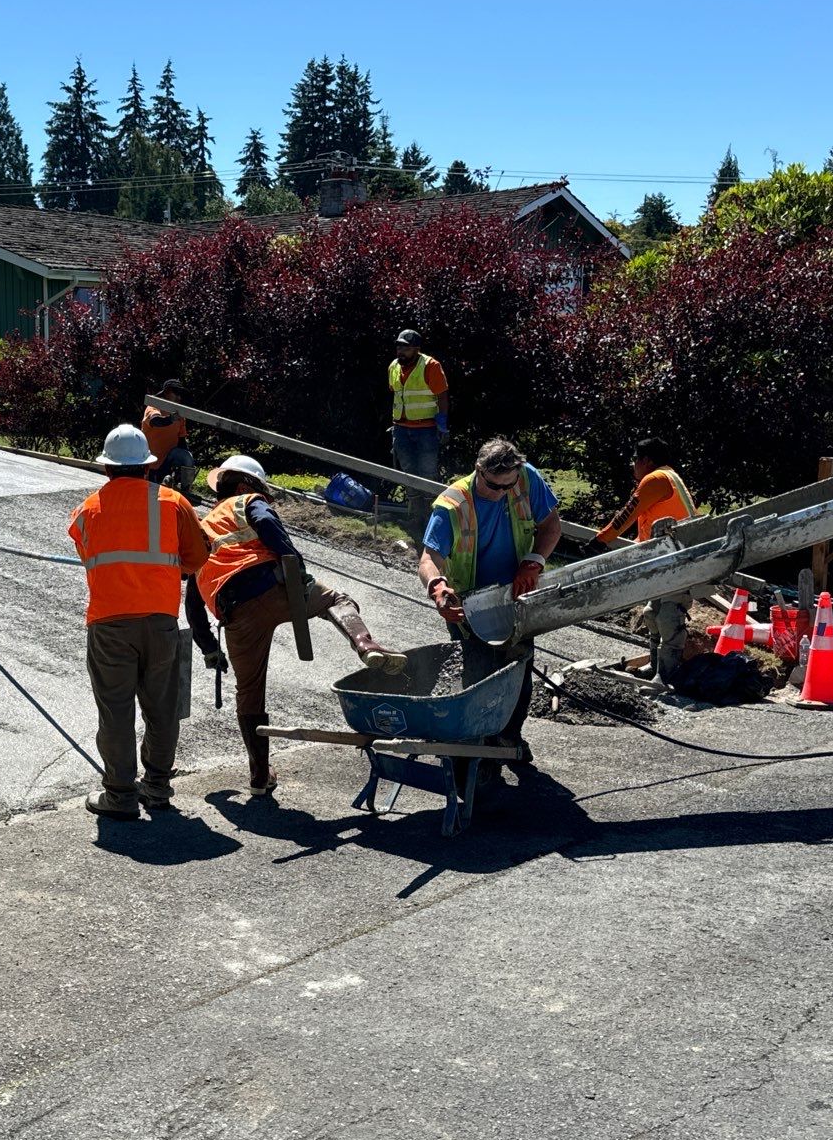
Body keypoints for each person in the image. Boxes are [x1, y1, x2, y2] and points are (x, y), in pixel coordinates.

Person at [185, 455, 407, 795]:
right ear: (245, 486)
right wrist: (297, 568)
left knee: (248, 694)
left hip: (235, 613)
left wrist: (210, 649)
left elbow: (192, 603)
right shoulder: (247, 501)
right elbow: (267, 523)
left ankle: (259, 776)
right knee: (335, 599)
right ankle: (366, 645)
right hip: (273, 586)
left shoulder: (201, 530)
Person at [67, 424, 212, 820]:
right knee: (162, 709)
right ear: (148, 466)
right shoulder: (174, 502)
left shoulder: (86, 511)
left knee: (115, 712)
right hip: (161, 620)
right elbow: (197, 558)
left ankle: (120, 796)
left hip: (109, 622)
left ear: (107, 468)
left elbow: (87, 554)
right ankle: (157, 787)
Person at [416, 437, 563, 781]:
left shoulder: (526, 479)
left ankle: (508, 739)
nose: (501, 493)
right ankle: (477, 751)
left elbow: (551, 526)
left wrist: (534, 561)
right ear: (478, 470)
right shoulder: (452, 504)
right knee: (477, 677)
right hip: (469, 607)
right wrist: (438, 587)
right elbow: (429, 558)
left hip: (515, 598)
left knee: (518, 672)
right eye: (494, 486)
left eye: (508, 486)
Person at [594, 438, 699, 682]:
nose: (633, 465)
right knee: (653, 613)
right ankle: (655, 666)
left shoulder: (656, 479)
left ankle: (667, 675)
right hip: (666, 558)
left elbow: (627, 514)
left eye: (635, 459)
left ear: (646, 460)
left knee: (669, 617)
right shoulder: (669, 476)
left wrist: (601, 539)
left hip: (677, 559)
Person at [387, 330, 450, 534]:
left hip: (426, 430)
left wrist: (442, 423)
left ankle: (432, 521)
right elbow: (398, 395)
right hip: (401, 429)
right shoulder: (394, 367)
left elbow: (442, 396)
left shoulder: (431, 366)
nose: (400, 351)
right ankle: (416, 518)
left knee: (427, 472)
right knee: (408, 473)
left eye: (405, 347)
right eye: (399, 346)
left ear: (416, 349)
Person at [142, 378, 196, 491]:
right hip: (148, 462)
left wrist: (187, 465)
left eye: (180, 394)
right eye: (176, 393)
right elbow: (156, 421)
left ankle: (185, 489)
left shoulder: (180, 415)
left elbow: (181, 441)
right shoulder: (154, 406)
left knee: (186, 456)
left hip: (166, 462)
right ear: (167, 392)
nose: (179, 397)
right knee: (151, 492)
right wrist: (171, 419)